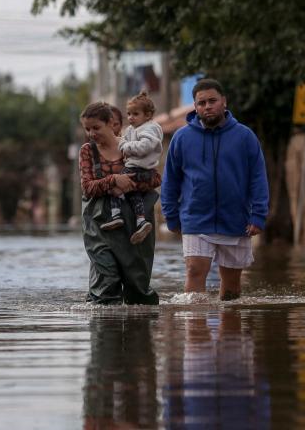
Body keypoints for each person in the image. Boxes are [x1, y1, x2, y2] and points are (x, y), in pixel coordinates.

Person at [160, 78, 269, 301]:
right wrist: (171, 216)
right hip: (195, 218)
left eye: (212, 101)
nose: (207, 106)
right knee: (194, 271)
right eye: (201, 103)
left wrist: (258, 215)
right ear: (195, 106)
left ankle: (229, 334)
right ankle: (196, 332)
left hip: (236, 220)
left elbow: (258, 178)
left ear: (224, 102)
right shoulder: (181, 138)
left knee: (231, 288)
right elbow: (170, 181)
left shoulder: (245, 137)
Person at [79, 101, 161, 305]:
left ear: (110, 124)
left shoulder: (129, 146)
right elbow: (87, 187)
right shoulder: (88, 151)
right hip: (98, 226)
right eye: (87, 129)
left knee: (137, 287)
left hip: (133, 224)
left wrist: (130, 184)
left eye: (96, 128)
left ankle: (140, 331)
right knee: (106, 279)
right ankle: (104, 330)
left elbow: (155, 179)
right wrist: (114, 180)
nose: (91, 133)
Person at [101, 92, 164, 245]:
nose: (130, 117)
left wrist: (125, 146)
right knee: (133, 193)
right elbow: (123, 140)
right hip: (137, 169)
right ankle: (141, 222)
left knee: (114, 184)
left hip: (140, 169)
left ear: (148, 115)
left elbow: (145, 146)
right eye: (128, 114)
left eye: (135, 114)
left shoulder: (149, 128)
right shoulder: (132, 129)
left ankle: (116, 216)